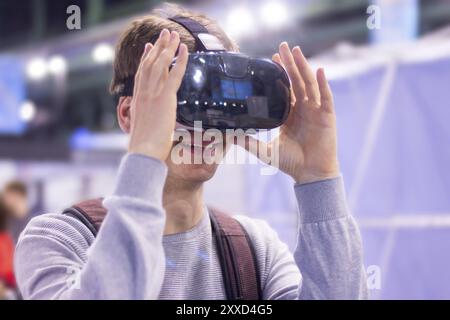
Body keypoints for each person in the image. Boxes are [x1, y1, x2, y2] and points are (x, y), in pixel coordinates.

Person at [15, 3, 368, 300]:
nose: (204, 124)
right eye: (179, 100)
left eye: (222, 106)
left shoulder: (253, 251)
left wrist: (319, 181)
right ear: (127, 113)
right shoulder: (59, 239)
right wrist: (146, 157)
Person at [0, 180, 28, 299]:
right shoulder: (7, 223)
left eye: (8, 196)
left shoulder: (34, 221)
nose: (5, 199)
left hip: (20, 280)